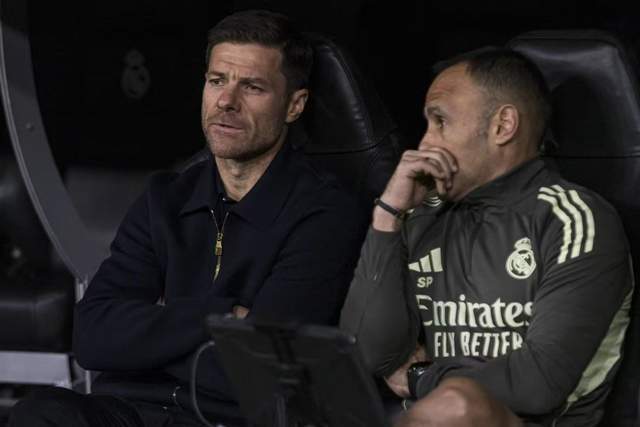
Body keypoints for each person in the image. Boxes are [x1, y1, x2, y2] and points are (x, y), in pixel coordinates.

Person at [10, 9, 367, 427]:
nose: (226, 101)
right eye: (217, 81)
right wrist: (220, 318)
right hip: (131, 411)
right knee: (40, 412)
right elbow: (92, 337)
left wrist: (150, 331)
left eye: (252, 87)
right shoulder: (165, 198)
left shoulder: (324, 212)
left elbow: (259, 370)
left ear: (294, 105)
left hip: (224, 420)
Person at [340, 48, 633, 426]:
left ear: (503, 125)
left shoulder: (574, 219)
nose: (425, 144)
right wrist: (388, 216)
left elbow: (536, 384)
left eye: (440, 122)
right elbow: (368, 357)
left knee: (457, 406)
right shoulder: (423, 215)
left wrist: (420, 377)